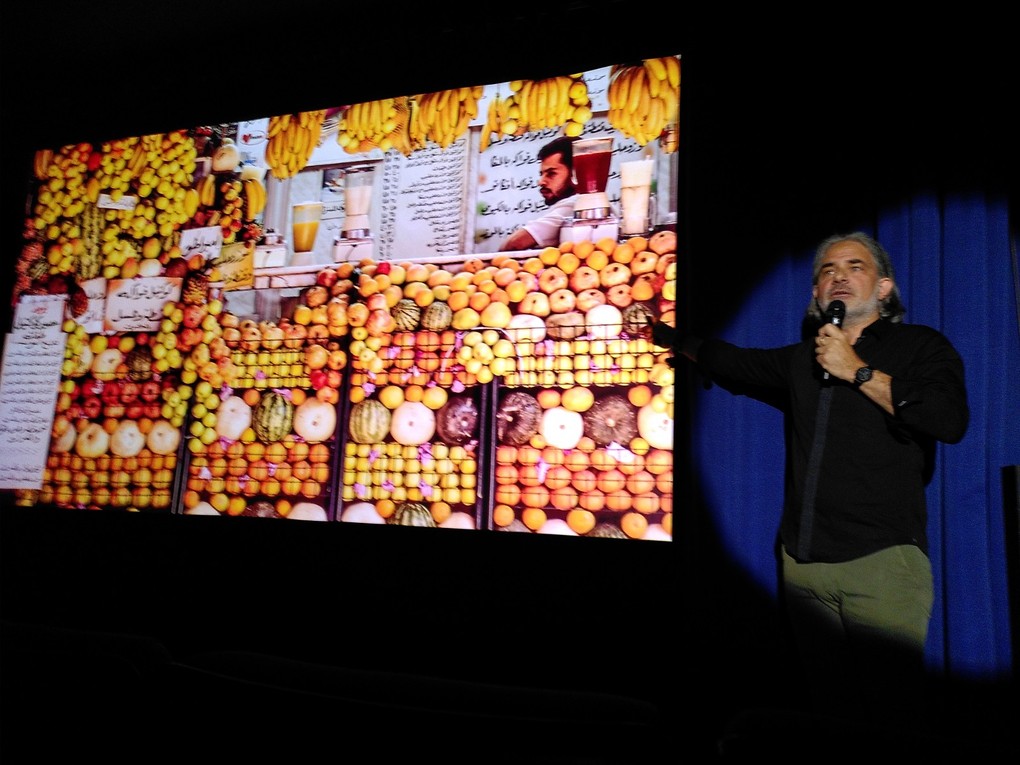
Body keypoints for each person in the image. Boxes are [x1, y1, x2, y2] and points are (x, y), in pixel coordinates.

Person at [681, 232, 969, 725]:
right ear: (817, 294)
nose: (838, 276)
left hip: (880, 564)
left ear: (884, 287)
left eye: (855, 266)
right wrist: (673, 341)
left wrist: (857, 370)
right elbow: (732, 362)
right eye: (827, 271)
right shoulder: (802, 360)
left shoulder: (920, 346)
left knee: (892, 720)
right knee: (830, 718)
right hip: (804, 569)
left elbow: (949, 420)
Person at [500, 135, 577, 251]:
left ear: (576, 173)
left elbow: (514, 243)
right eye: (542, 174)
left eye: (551, 173)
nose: (541, 182)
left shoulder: (574, 205)